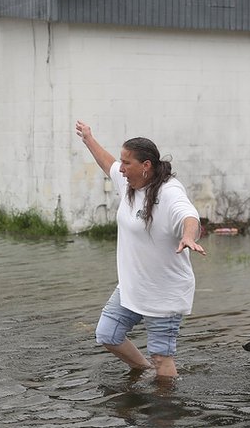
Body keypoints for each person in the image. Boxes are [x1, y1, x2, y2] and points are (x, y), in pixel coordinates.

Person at [75, 120, 206, 378]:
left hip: (163, 292)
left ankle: (165, 409)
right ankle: (144, 371)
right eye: (121, 162)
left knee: (162, 358)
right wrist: (88, 138)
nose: (120, 168)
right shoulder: (128, 184)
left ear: (146, 166)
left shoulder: (169, 191)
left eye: (127, 163)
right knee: (107, 334)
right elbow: (107, 163)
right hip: (132, 287)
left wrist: (189, 237)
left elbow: (189, 215)